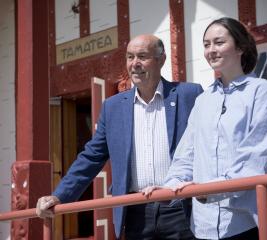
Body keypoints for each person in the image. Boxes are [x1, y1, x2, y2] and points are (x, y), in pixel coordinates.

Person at [36, 34, 203, 239]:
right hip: (135, 211)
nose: (135, 64)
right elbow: (91, 156)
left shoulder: (190, 94)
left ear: (161, 60)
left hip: (182, 207)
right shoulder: (113, 107)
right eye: (130, 57)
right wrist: (59, 196)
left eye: (142, 56)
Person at [143, 17, 267, 240]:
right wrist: (168, 189)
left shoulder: (261, 92)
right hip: (204, 225)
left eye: (219, 42)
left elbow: (255, 159)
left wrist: (208, 191)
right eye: (206, 44)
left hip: (248, 221)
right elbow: (186, 155)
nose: (211, 50)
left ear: (240, 47)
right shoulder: (203, 100)